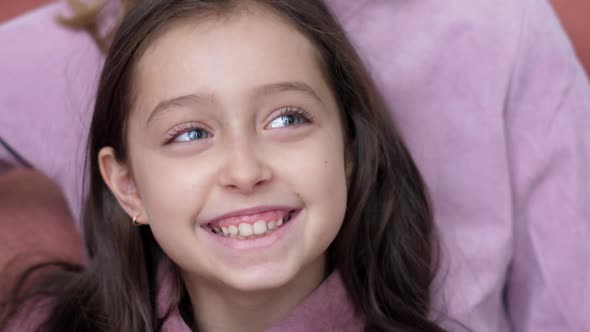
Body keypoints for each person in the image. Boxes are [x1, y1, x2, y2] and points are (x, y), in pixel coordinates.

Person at [1, 0, 588, 331]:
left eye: (286, 120)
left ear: (353, 153)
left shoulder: (497, 26)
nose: (244, 169)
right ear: (126, 185)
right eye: (190, 133)